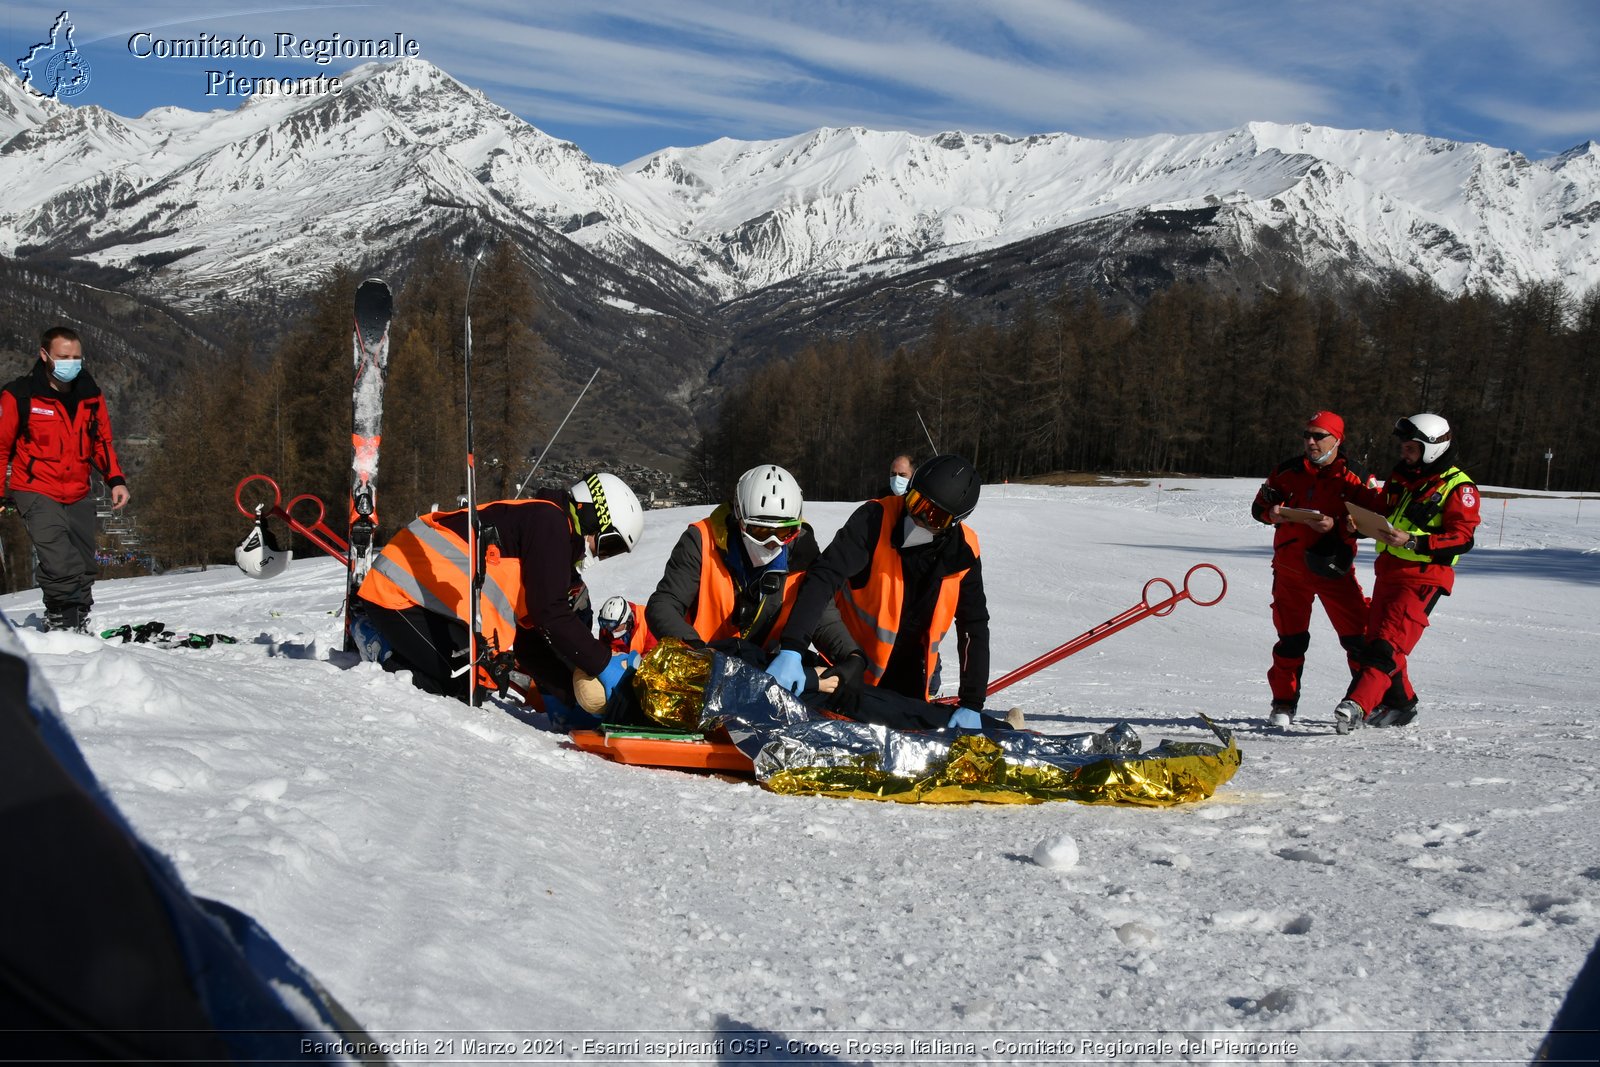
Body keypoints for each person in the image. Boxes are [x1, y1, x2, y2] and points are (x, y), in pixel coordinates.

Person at [356, 473, 644, 708]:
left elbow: (526, 637)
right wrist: (605, 665)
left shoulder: (552, 531)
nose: (601, 554)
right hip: (396, 592)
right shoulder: (551, 523)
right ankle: (376, 642)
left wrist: (570, 698)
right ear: (595, 513)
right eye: (609, 544)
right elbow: (551, 613)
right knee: (462, 684)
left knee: (476, 678)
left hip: (425, 598)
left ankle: (393, 641)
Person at [768, 454, 995, 730]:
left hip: (911, 679)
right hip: (851, 670)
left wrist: (972, 703)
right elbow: (824, 576)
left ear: (953, 523)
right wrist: (793, 647)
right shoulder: (875, 519)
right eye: (915, 502)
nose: (919, 518)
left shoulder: (964, 553)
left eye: (934, 516)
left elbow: (974, 625)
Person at [1333, 413, 1481, 733]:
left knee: (1386, 646)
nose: (1404, 452)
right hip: (1389, 571)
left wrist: (1414, 541)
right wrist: (1359, 526)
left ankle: (1357, 704)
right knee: (1375, 641)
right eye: (1403, 446)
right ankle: (1400, 704)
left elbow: (1463, 538)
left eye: (1412, 447)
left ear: (1432, 448)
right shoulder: (1403, 476)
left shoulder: (1459, 487)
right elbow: (1385, 513)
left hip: (1424, 576)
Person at [645, 464, 863, 680]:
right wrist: (695, 651)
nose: (772, 543)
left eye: (784, 532)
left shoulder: (802, 556)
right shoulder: (702, 541)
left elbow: (821, 616)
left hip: (763, 672)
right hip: (703, 670)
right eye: (760, 531)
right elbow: (664, 603)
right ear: (739, 518)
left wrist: (851, 655)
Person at [1250, 410, 1375, 729]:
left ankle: (1365, 705)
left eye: (1319, 436)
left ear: (1337, 439)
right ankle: (1283, 703)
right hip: (1290, 570)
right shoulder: (1287, 471)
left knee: (1358, 640)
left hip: (1333, 569)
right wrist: (1273, 514)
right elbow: (1258, 508)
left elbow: (1372, 523)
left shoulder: (1355, 476)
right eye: (1307, 435)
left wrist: (1339, 526)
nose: (1310, 441)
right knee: (1290, 641)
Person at [0, 326, 130, 633]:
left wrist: (116, 480)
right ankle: (61, 622)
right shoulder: (19, 395)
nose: (70, 363)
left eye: (76, 357)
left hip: (77, 490)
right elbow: (2, 446)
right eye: (63, 357)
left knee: (84, 564)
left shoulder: (90, 395)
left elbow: (101, 442)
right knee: (60, 562)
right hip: (34, 488)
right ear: (44, 355)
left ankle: (78, 618)